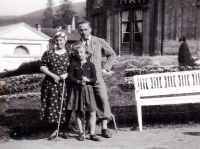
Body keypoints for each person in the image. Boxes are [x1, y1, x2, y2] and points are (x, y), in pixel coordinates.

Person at [70, 20, 117, 138]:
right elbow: (72, 61)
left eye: (85, 29)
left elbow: (112, 54)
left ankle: (104, 128)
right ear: (78, 31)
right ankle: (88, 129)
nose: (83, 32)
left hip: (97, 79)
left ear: (90, 29)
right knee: (86, 103)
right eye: (81, 30)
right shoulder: (75, 45)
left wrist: (106, 68)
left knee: (103, 100)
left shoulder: (99, 42)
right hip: (82, 81)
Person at [40, 32, 70, 140]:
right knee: (52, 105)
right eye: (57, 40)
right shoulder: (48, 53)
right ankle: (54, 129)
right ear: (54, 41)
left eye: (61, 40)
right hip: (51, 83)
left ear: (65, 41)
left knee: (65, 105)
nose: (59, 42)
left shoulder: (70, 54)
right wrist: (53, 76)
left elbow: (74, 67)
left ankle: (65, 129)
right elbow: (42, 67)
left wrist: (67, 74)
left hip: (65, 84)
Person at [67, 44, 100, 141]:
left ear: (87, 54)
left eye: (81, 52)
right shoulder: (73, 64)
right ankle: (81, 133)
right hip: (77, 90)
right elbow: (70, 77)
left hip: (88, 90)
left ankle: (92, 133)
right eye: (77, 53)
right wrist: (78, 81)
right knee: (78, 111)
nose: (79, 54)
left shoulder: (91, 65)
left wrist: (88, 80)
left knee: (92, 111)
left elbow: (95, 78)